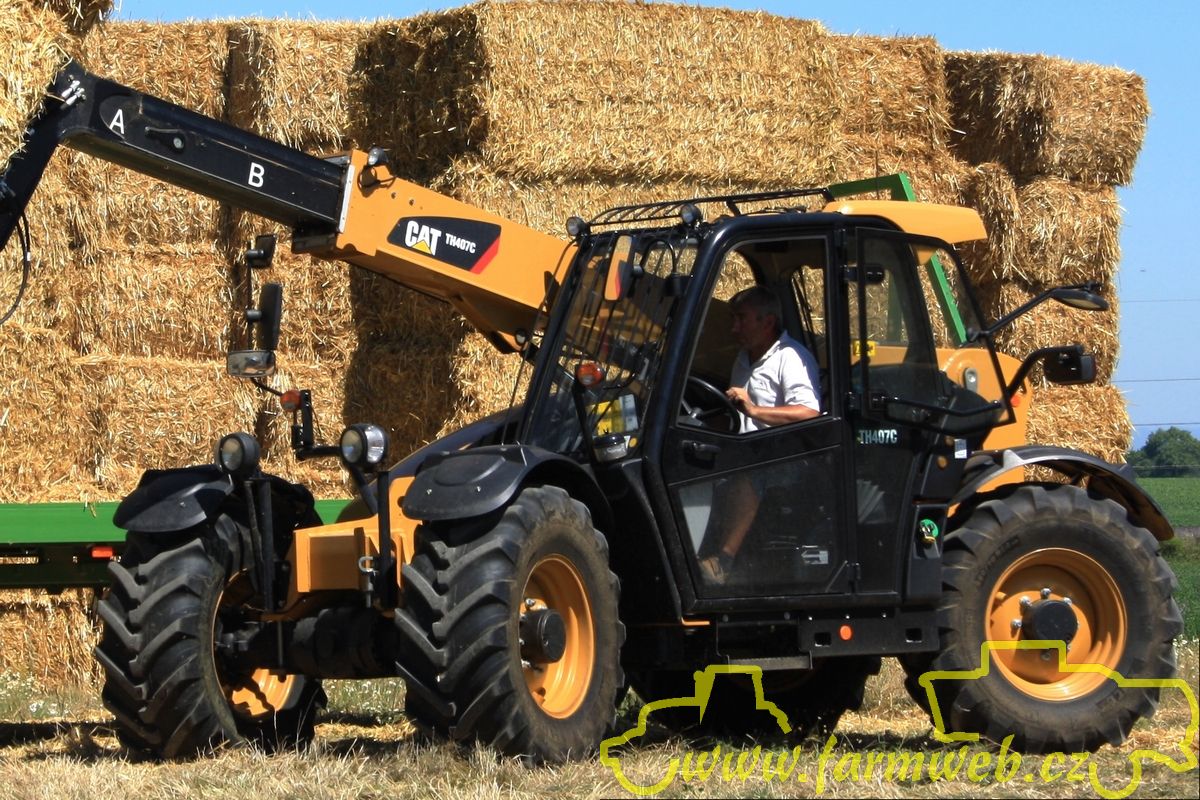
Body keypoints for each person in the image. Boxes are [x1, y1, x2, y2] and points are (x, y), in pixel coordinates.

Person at [699, 285, 822, 582]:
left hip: (784, 456)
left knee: (748, 474)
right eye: (734, 319)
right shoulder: (744, 358)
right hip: (746, 448)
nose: (734, 328)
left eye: (741, 319)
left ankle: (723, 562)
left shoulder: (791, 358)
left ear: (767, 322)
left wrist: (754, 411)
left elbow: (809, 412)